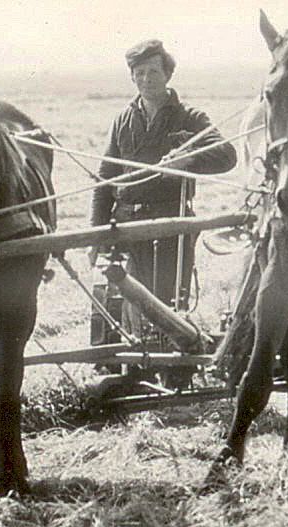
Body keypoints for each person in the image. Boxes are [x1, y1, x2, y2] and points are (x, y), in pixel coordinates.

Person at [89, 39, 237, 319]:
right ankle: (123, 362)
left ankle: (171, 360)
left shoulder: (190, 117)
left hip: (170, 225)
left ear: (168, 75)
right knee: (120, 304)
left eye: (153, 72)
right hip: (124, 226)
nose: (146, 79)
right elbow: (104, 180)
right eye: (140, 73)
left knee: (166, 308)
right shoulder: (122, 120)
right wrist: (96, 235)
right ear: (132, 76)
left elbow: (228, 155)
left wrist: (190, 159)